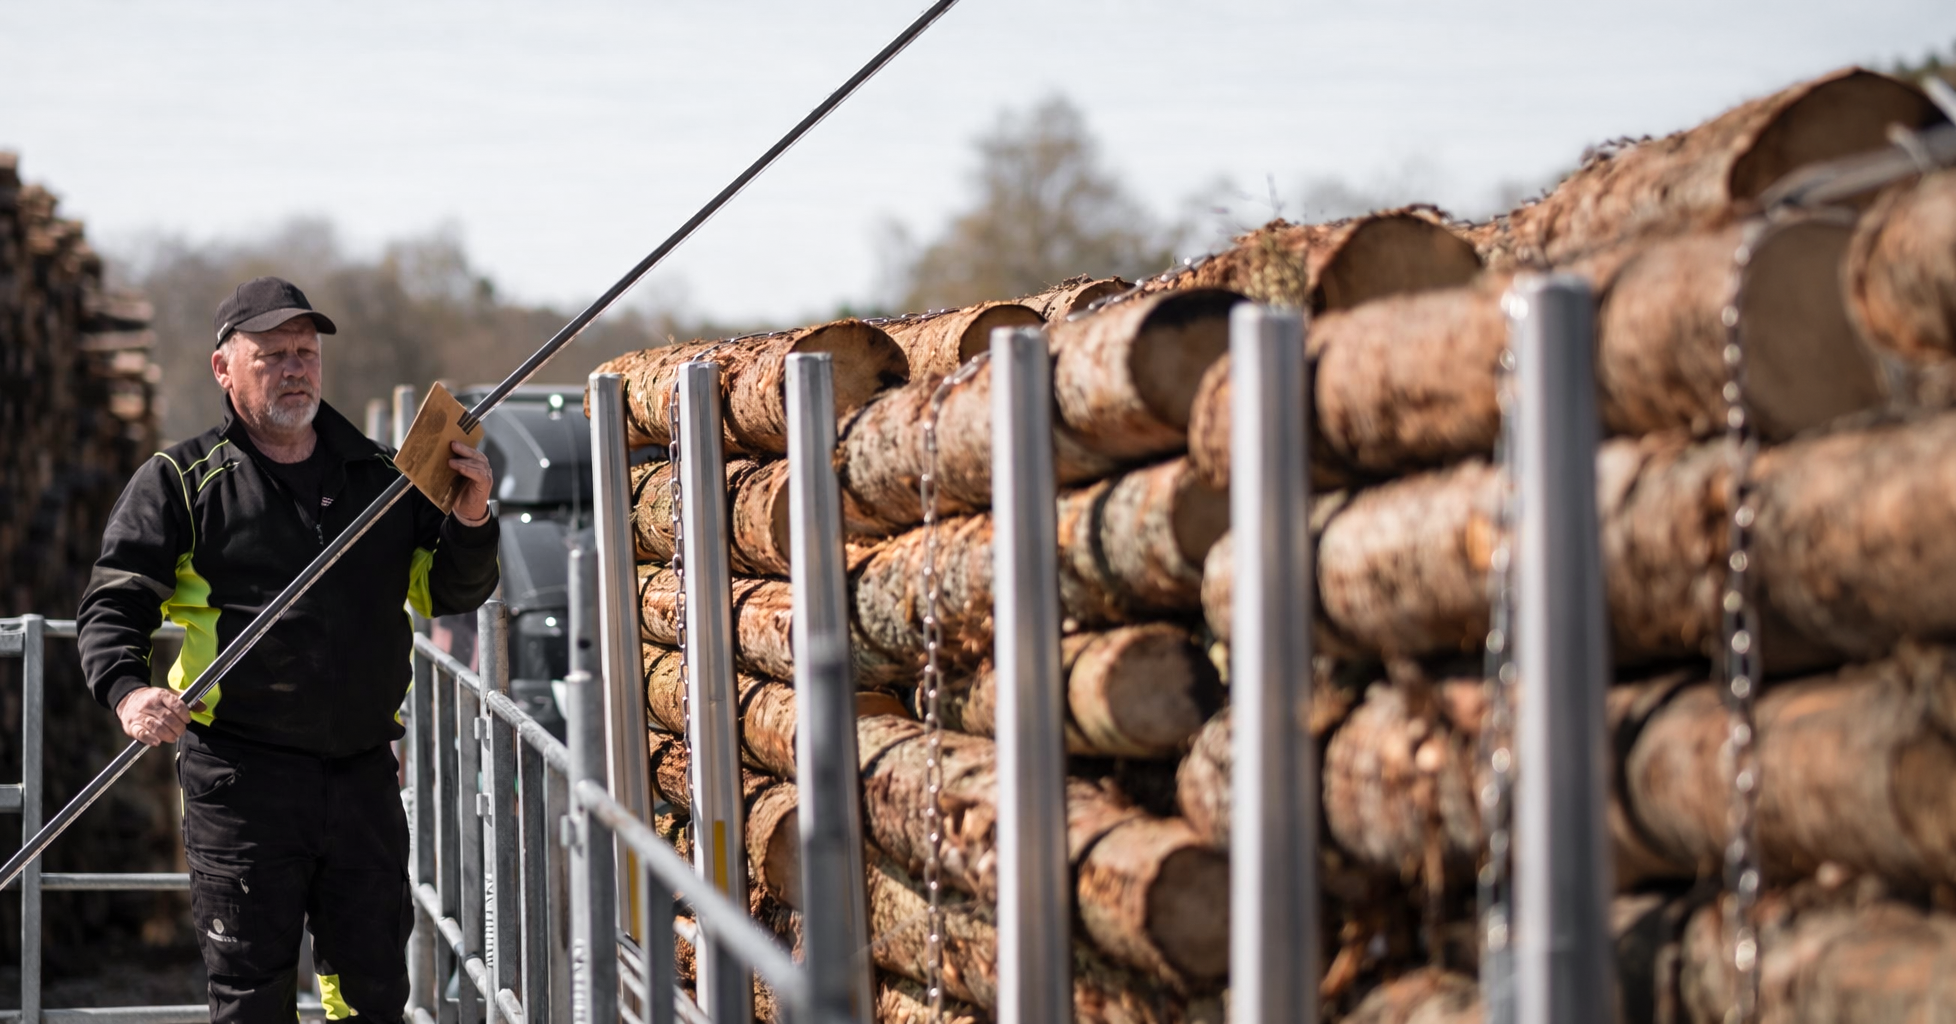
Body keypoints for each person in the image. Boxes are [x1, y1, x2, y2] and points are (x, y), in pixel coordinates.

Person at [76, 276, 500, 1023]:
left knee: (370, 993)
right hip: (240, 779)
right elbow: (115, 602)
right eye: (272, 354)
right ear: (223, 368)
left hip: (363, 775)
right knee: (249, 996)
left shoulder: (381, 477)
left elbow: (447, 595)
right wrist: (128, 690)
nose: (297, 367)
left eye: (306, 352)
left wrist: (470, 521)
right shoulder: (179, 480)